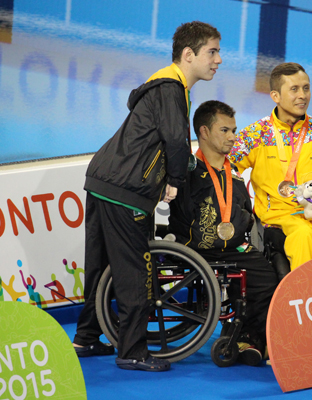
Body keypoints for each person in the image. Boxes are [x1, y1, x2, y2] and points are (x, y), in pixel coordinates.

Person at [72, 21, 222, 372]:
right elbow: (176, 140)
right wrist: (175, 179)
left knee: (102, 267)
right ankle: (132, 351)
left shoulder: (164, 85)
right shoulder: (171, 88)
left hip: (104, 180)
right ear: (189, 54)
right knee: (135, 271)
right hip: (127, 189)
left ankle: (86, 336)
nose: (218, 60)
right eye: (212, 52)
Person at [168, 100, 279, 366]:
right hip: (197, 250)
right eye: (225, 130)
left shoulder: (235, 175)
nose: (232, 137)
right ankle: (245, 338)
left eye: (234, 130)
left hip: (232, 250)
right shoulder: (186, 171)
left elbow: (246, 212)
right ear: (204, 132)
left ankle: (248, 338)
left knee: (267, 277)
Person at [230, 62, 312, 272]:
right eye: (294, 89)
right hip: (281, 217)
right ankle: (306, 292)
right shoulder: (256, 135)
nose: (302, 95)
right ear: (275, 96)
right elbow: (227, 168)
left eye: (306, 88)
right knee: (302, 236)